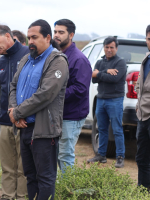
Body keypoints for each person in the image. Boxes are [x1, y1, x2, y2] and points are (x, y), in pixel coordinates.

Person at [8, 19, 69, 200]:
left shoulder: (57, 61)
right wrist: (13, 111)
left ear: (48, 37)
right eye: (28, 38)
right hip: (24, 128)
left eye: (35, 37)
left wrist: (18, 113)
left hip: (43, 131)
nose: (30, 42)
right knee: (30, 176)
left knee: (45, 178)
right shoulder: (26, 59)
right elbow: (13, 85)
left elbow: (45, 94)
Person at [0, 25, 29, 200]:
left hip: (25, 121)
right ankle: (7, 196)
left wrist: (22, 113)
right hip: (5, 121)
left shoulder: (28, 55)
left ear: (8, 36)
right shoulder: (1, 62)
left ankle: (22, 197)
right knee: (7, 166)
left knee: (23, 166)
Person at [54, 19, 92, 173]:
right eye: (55, 31)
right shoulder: (57, 55)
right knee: (56, 155)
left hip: (71, 115)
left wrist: (54, 96)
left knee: (65, 155)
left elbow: (80, 89)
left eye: (61, 32)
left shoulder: (78, 59)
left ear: (71, 35)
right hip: (58, 114)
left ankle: (68, 191)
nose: (57, 35)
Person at [87, 36, 127, 168]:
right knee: (102, 128)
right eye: (107, 47)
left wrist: (98, 74)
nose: (109, 50)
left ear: (116, 48)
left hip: (115, 99)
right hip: (101, 99)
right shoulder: (99, 62)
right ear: (104, 48)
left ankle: (120, 156)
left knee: (116, 129)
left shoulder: (120, 62)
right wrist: (105, 72)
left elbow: (113, 79)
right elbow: (93, 79)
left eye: (111, 47)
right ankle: (101, 155)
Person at [135, 24, 150, 189]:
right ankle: (142, 190)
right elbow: (140, 85)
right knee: (141, 158)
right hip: (143, 115)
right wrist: (138, 106)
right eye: (149, 39)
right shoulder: (146, 59)